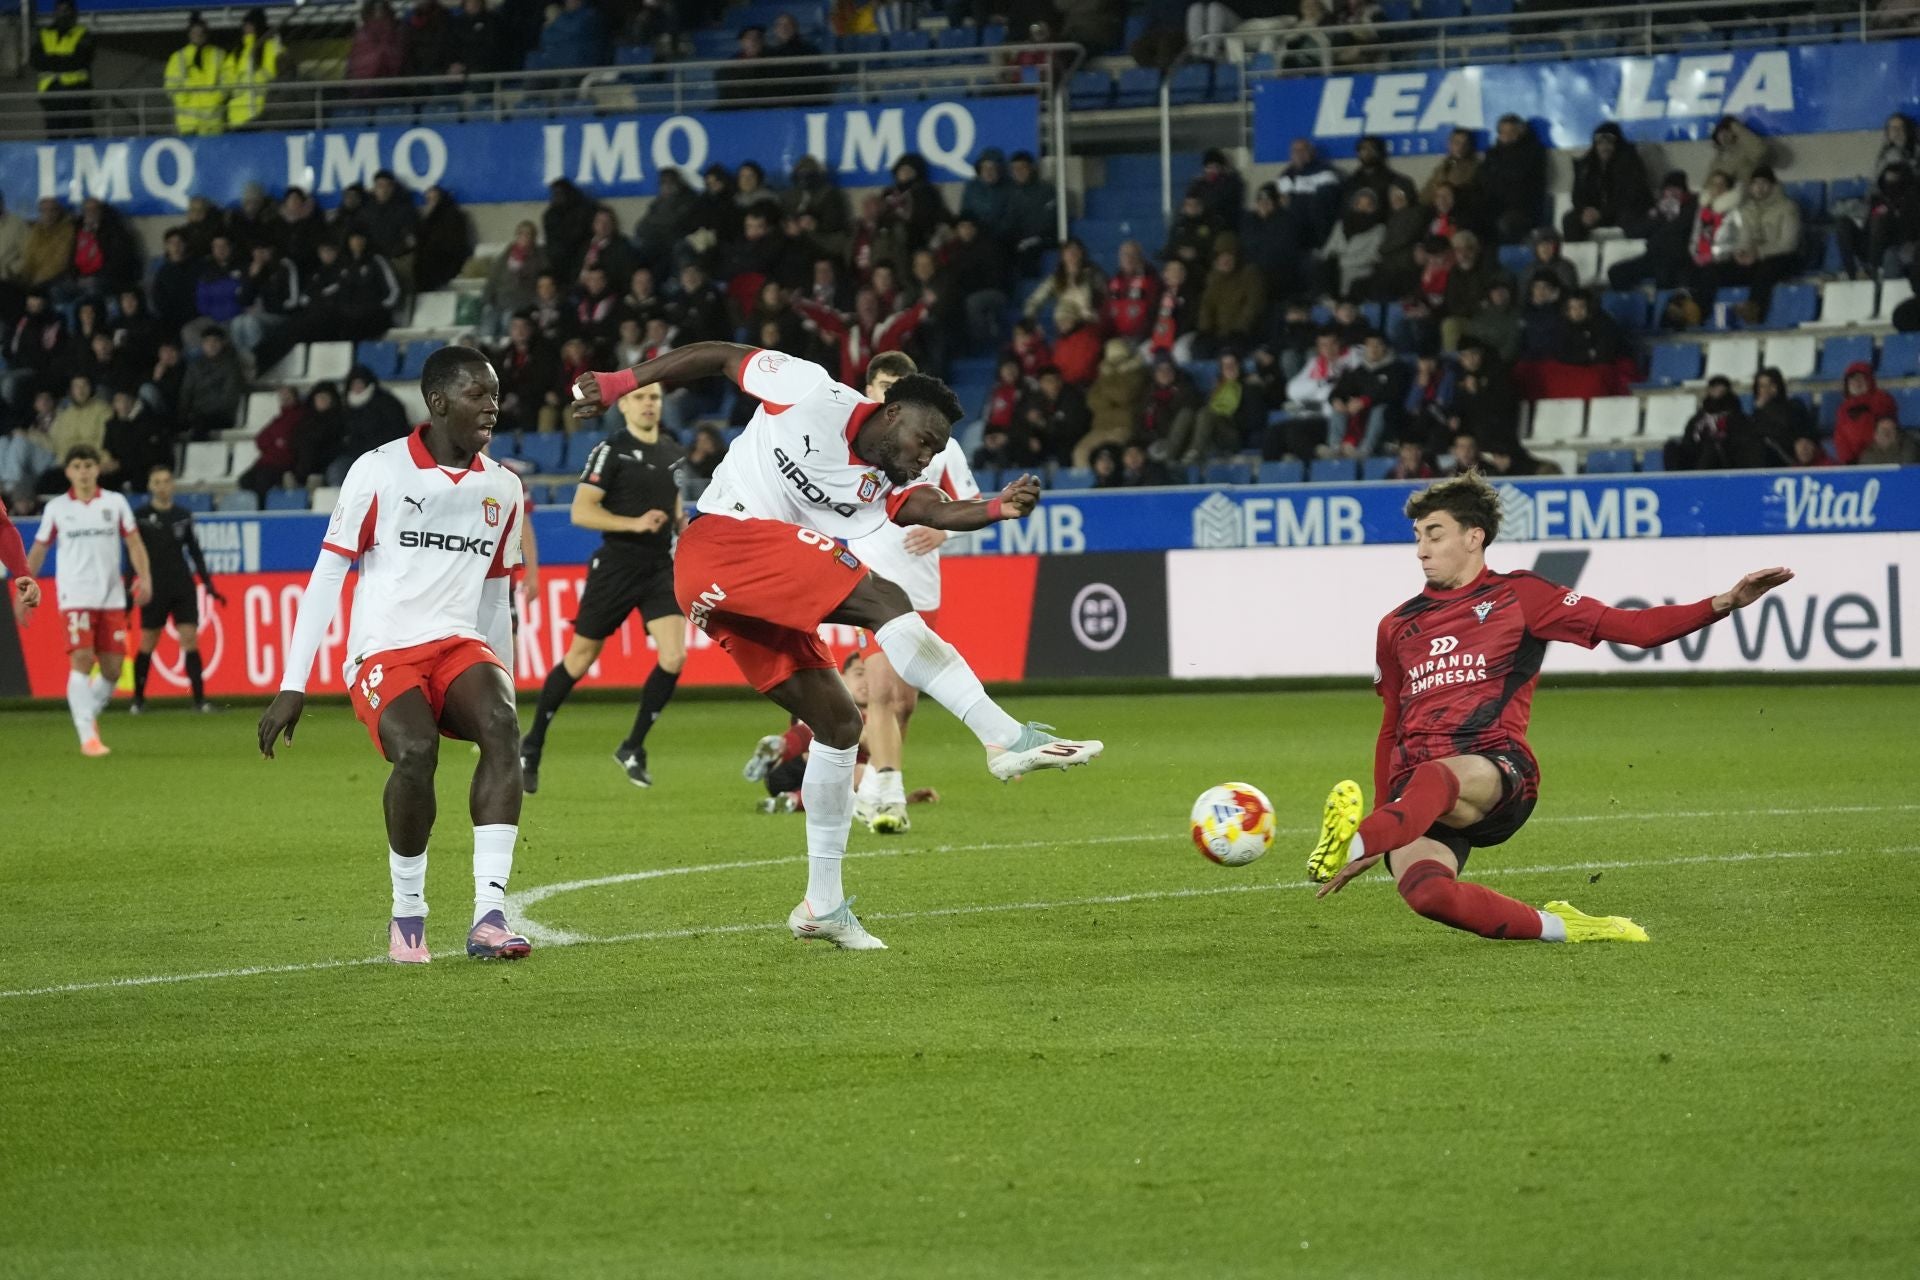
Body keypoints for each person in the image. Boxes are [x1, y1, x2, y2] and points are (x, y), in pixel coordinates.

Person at [569, 343, 1104, 950]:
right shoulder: (809, 389)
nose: (926, 457)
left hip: (738, 592)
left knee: (840, 725)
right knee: (886, 600)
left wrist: (991, 508)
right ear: (892, 412)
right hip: (722, 542)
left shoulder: (883, 479)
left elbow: (921, 506)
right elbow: (719, 356)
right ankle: (1004, 737)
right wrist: (619, 382)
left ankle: (821, 904)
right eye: (924, 442)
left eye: (935, 450)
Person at [1306, 471, 1795, 942]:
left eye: (1435, 534)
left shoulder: (1522, 596)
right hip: (1416, 793)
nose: (1421, 549)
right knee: (1430, 895)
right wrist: (1389, 811)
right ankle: (1568, 927)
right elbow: (1391, 724)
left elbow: (1634, 628)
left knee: (1435, 778)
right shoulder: (1396, 626)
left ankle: (1350, 842)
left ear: (1474, 537)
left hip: (1498, 771)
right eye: (1418, 536)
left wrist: (1725, 601)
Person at [258, 348, 531, 965]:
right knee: (416, 752)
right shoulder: (379, 471)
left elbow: (495, 594)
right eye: (476, 394)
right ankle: (409, 915)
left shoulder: (504, 486)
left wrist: (506, 680)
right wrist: (292, 683)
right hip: (384, 649)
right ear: (437, 403)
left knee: (501, 728)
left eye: (495, 394)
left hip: (460, 643)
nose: (492, 405)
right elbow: (329, 574)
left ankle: (489, 915)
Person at [519, 381, 687, 793]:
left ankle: (632, 747)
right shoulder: (610, 450)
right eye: (641, 398)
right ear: (625, 405)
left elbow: (676, 509)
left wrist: (686, 530)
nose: (649, 404)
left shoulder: (671, 451)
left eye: (655, 398)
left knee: (674, 655)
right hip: (616, 566)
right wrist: (633, 523)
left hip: (658, 568)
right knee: (580, 659)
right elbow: (581, 511)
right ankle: (532, 744)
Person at [841, 352, 981, 832]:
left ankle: (871, 789)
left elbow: (971, 503)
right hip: (870, 580)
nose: (890, 395)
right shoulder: (851, 439)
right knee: (879, 690)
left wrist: (945, 532)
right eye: (883, 386)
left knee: (903, 702)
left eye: (900, 387)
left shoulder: (942, 446)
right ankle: (888, 793)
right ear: (869, 389)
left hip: (922, 586)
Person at [26, 444, 153, 755]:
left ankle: (85, 716)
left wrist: (145, 577)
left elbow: (134, 543)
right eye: (77, 466)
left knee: (111, 670)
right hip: (75, 595)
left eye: (88, 465)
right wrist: (25, 583)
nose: (83, 471)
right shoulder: (57, 508)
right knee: (82, 660)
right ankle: (88, 737)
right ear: (68, 471)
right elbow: (40, 548)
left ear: (98, 469)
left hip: (110, 597)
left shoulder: (115, 503)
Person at [129, 463, 224, 713]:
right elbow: (132, 555)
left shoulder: (182, 515)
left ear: (172, 484)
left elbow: (194, 552)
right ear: (150, 486)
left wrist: (208, 585)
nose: (162, 486)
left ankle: (200, 700)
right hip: (154, 586)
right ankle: (138, 700)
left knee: (190, 639)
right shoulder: (139, 517)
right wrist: (131, 590)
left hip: (182, 584)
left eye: (166, 481)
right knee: (148, 641)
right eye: (157, 482)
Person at [31, 0, 94, 136]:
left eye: (66, 10)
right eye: (59, 10)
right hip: (51, 93)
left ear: (74, 13)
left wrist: (52, 59)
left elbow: (80, 60)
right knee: (55, 136)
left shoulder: (83, 34)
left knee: (82, 136)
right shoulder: (44, 34)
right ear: (54, 13)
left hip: (77, 92)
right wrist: (64, 59)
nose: (62, 14)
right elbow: (35, 61)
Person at [222, 7, 287, 129]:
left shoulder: (274, 48)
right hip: (238, 117)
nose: (247, 28)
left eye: (251, 25)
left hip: (264, 116)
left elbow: (284, 75)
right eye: (245, 25)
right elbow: (226, 81)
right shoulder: (237, 53)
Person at [164, 14, 227, 136]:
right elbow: (171, 86)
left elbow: (228, 81)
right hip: (188, 124)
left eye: (201, 33)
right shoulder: (178, 57)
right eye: (195, 32)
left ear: (206, 34)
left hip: (212, 123)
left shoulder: (219, 54)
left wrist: (215, 100)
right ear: (189, 34)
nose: (198, 35)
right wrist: (184, 100)